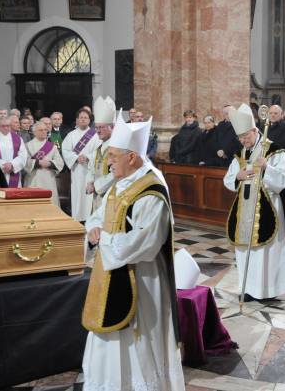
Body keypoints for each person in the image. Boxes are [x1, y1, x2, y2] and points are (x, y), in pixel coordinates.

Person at [82, 113, 184, 391]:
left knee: (139, 345)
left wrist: (104, 240)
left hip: (142, 280)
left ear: (132, 157)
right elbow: (97, 216)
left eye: (113, 156)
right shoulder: (122, 183)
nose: (108, 161)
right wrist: (93, 233)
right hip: (110, 274)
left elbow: (145, 242)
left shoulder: (150, 191)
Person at [223, 104, 285, 302]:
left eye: (246, 136)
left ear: (255, 130)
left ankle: (267, 291)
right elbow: (228, 180)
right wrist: (239, 176)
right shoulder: (241, 154)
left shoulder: (273, 150)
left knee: (265, 252)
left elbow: (284, 180)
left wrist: (267, 168)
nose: (243, 140)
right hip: (244, 208)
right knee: (245, 250)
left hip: (267, 205)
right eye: (240, 137)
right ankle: (249, 289)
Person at [62, 109, 100, 222]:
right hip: (77, 169)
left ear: (89, 120)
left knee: (89, 197)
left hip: (90, 169)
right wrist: (76, 158)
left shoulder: (95, 135)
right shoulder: (71, 135)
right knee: (78, 193)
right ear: (77, 120)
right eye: (81, 117)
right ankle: (78, 219)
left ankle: (90, 219)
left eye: (86, 117)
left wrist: (88, 157)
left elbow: (99, 151)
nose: (83, 119)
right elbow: (66, 150)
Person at [86, 96, 116, 212]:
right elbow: (91, 168)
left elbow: (116, 173)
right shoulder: (98, 148)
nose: (98, 131)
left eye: (102, 127)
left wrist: (97, 186)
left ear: (112, 127)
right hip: (97, 195)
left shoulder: (116, 148)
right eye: (96, 127)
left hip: (110, 193)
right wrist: (89, 182)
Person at [24, 121, 65, 206]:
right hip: (34, 179)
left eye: (45, 130)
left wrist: (50, 163)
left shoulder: (52, 146)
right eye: (41, 130)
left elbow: (60, 162)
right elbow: (24, 161)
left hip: (48, 178)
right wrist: (38, 162)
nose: (44, 132)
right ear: (34, 132)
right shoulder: (27, 145)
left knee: (50, 203)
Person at [0, 117, 28, 188]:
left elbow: (23, 155)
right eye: (3, 126)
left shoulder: (18, 138)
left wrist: (12, 165)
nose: (6, 128)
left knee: (14, 196)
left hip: (14, 171)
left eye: (8, 126)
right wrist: (2, 165)